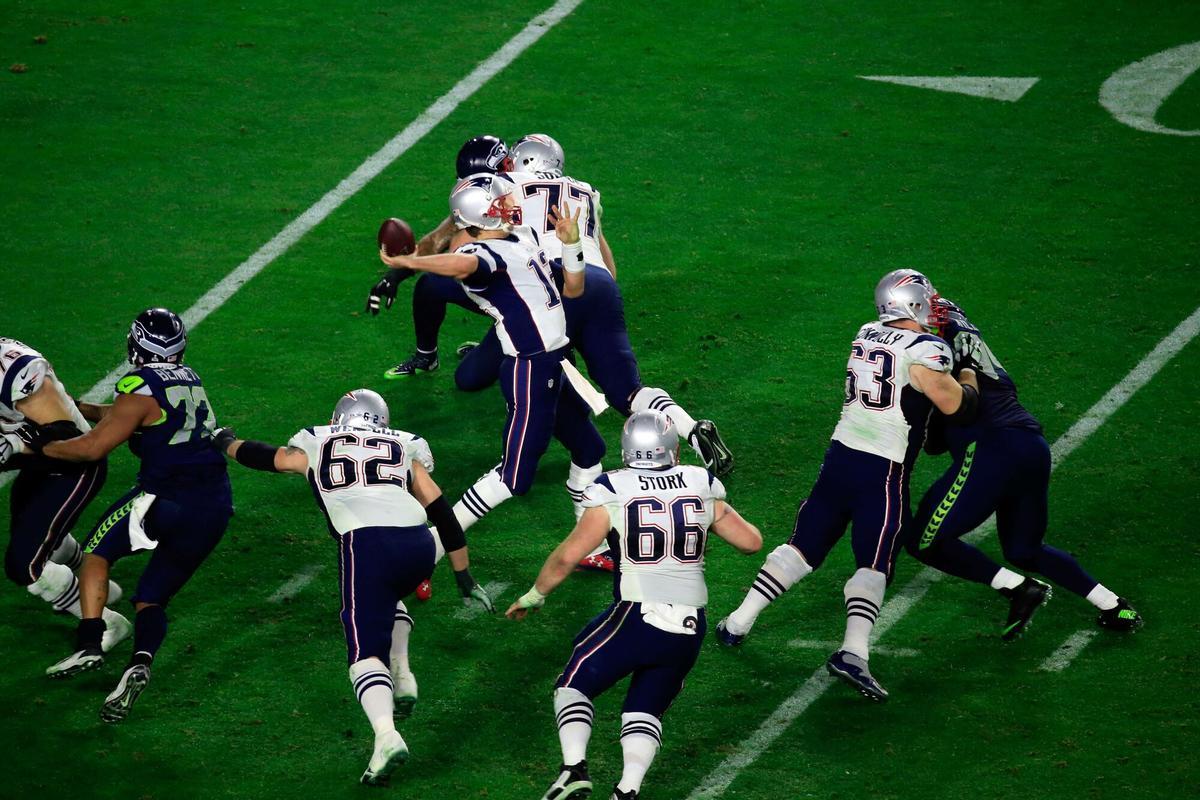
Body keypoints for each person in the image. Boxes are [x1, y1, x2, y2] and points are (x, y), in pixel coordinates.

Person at [367, 134, 734, 480]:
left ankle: (521, 464)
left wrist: (399, 269)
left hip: (547, 290)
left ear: (516, 162)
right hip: (597, 285)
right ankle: (689, 427)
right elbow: (609, 266)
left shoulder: (501, 190)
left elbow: (455, 245)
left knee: (474, 376)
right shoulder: (585, 192)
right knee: (626, 389)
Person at [716, 270, 979, 703]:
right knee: (875, 560)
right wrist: (968, 372)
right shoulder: (928, 350)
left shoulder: (867, 333)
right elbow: (955, 405)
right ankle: (853, 652)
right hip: (883, 469)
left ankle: (737, 622)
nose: (933, 305)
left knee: (805, 543)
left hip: (840, 457)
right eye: (926, 298)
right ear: (912, 302)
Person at [212, 388, 487, 785]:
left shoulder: (317, 441)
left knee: (362, 653)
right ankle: (403, 672)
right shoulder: (403, 446)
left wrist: (224, 441)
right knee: (388, 598)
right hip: (418, 545)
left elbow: (267, 458)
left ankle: (386, 736)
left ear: (340, 416)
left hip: (366, 543)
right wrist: (464, 576)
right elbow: (443, 514)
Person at [506, 410, 761, 800]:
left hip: (640, 613)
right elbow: (751, 542)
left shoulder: (613, 488)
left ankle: (574, 768)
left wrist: (534, 595)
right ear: (672, 449)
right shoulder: (700, 481)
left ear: (628, 450)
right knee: (644, 710)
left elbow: (568, 557)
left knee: (573, 685)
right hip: (690, 624)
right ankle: (627, 790)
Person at [32, 309, 234, 725]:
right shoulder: (190, 378)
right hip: (213, 505)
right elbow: (133, 416)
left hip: (166, 497)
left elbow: (91, 449)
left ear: (137, 342)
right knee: (152, 597)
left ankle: (89, 642)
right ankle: (138, 664)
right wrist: (79, 406)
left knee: (95, 555)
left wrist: (35, 448)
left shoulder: (138, 386)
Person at [377, 172, 606, 534]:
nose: (513, 205)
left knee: (590, 449)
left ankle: (594, 545)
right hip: (530, 368)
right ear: (482, 214)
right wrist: (410, 263)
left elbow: (573, 290)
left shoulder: (524, 236)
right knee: (513, 477)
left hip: (559, 362)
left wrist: (572, 244)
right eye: (503, 202)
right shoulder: (478, 252)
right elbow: (463, 265)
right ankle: (436, 541)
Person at [903, 297, 1141, 636]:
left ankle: (1019, 588)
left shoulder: (932, 353)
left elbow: (938, 439)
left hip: (990, 451)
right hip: (1031, 447)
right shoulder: (974, 347)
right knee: (1024, 548)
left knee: (923, 540)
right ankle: (1116, 607)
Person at [0, 337, 129, 652]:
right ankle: (92, 581)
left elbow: (66, 437)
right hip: (36, 465)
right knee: (39, 540)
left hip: (73, 463)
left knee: (24, 564)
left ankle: (106, 621)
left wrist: (16, 446)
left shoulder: (10, 367)